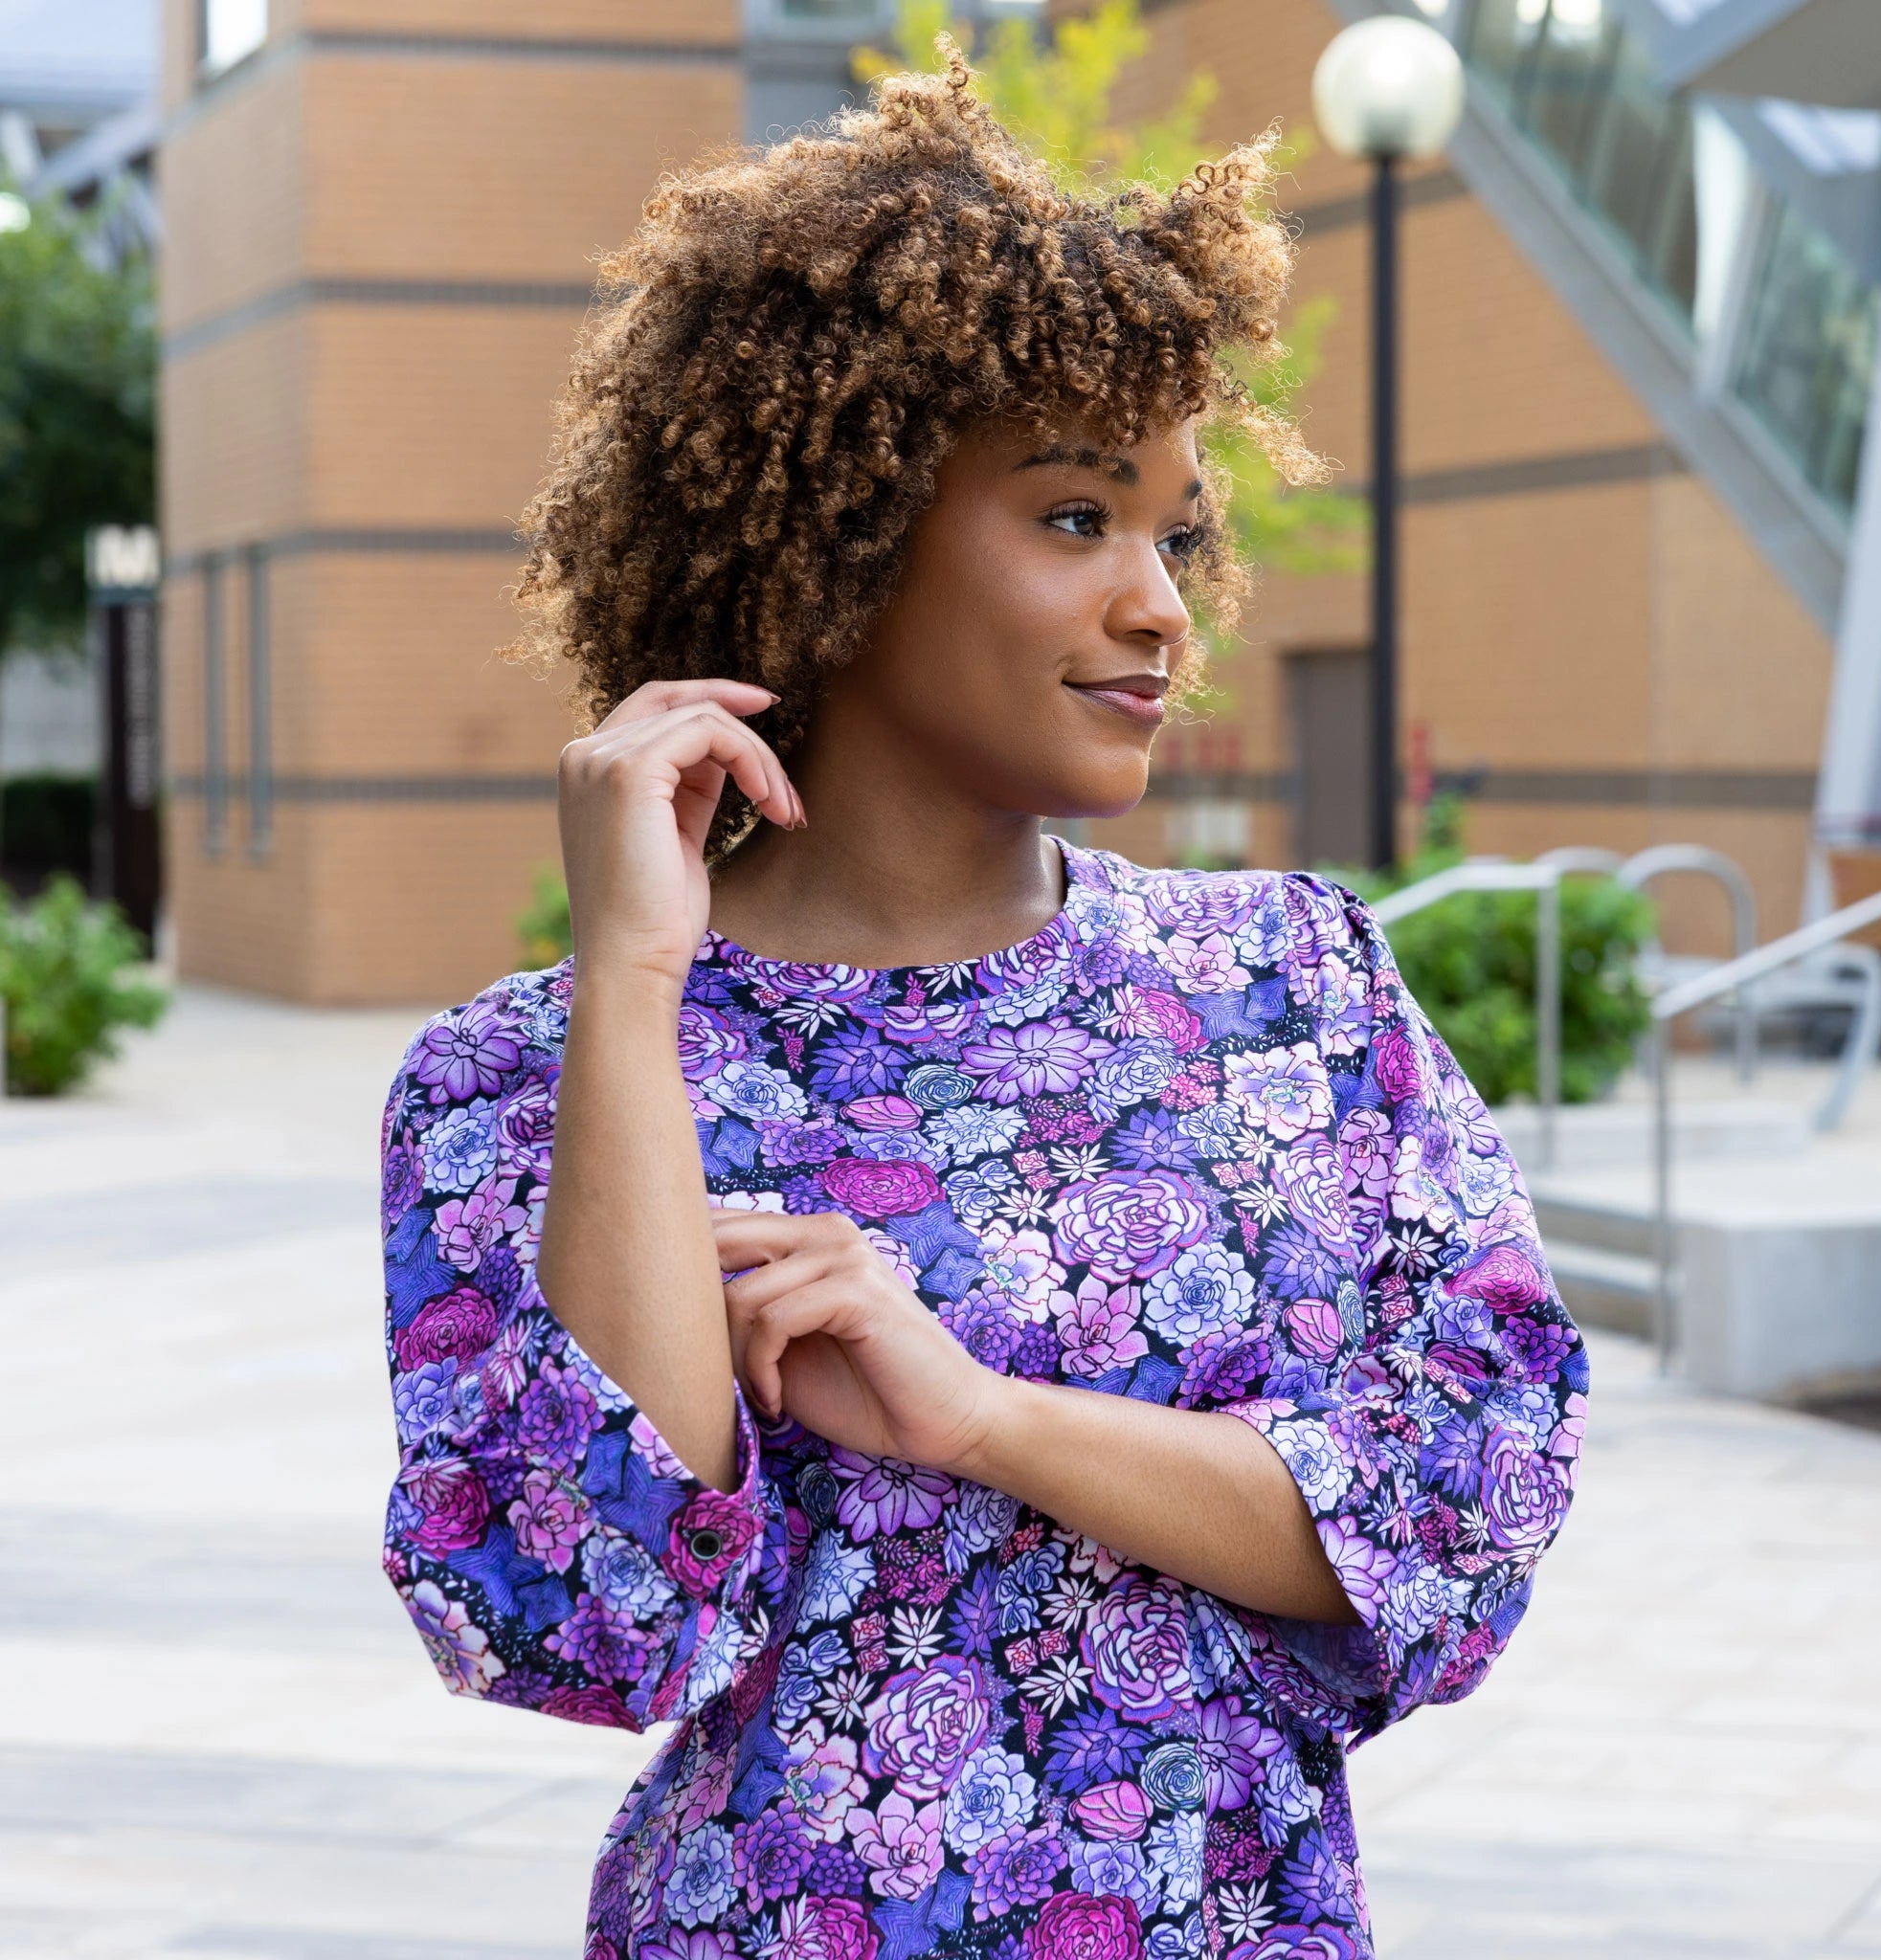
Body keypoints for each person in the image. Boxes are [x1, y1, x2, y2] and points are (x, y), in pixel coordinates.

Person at [380, 50, 1586, 1960]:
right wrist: (630, 980)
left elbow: (1456, 1509)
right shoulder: (522, 1074)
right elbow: (583, 1615)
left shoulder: (1291, 989)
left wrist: (972, 1414)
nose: (1163, 603)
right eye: (1073, 518)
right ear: (845, 536)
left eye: (1175, 528)